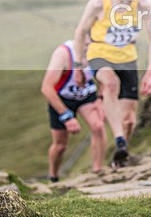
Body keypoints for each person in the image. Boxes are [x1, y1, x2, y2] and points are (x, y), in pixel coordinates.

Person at [73, 0, 151, 168]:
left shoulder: (144, 3)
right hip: (99, 52)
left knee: (129, 120)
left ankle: (121, 155)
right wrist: (78, 65)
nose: (126, 3)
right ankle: (119, 139)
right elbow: (80, 31)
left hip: (127, 57)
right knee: (111, 84)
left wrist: (150, 73)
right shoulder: (98, 2)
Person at [41, 40, 106, 181]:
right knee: (60, 146)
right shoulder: (64, 54)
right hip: (62, 98)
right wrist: (66, 116)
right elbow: (46, 87)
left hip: (86, 95)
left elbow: (105, 77)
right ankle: (53, 176)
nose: (88, 46)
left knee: (98, 126)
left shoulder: (99, 50)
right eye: (85, 41)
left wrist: (101, 99)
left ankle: (98, 171)